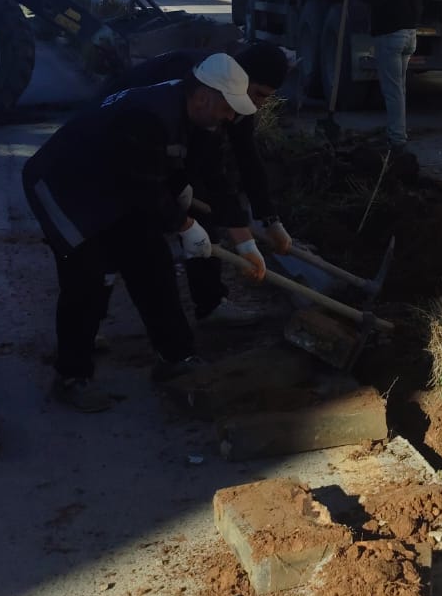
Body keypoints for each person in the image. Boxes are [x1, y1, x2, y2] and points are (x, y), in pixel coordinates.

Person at [21, 54, 265, 412]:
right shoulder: (148, 115)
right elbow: (143, 189)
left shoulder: (203, 122)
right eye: (228, 109)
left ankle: (176, 357)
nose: (231, 118)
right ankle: (72, 376)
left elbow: (215, 180)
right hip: (66, 186)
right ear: (203, 98)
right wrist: (184, 226)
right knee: (89, 278)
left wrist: (246, 243)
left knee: (153, 264)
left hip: (116, 184)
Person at [105, 40, 296, 318]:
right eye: (257, 94)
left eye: (265, 98)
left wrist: (269, 220)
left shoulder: (237, 100)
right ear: (241, 77)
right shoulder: (197, 82)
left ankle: (210, 304)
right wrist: (237, 237)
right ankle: (93, 318)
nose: (256, 105)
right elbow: (201, 165)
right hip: (118, 141)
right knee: (121, 233)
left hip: (159, 146)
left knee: (196, 211)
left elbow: (246, 157)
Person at [348, 0, 421, 157]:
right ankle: (397, 131)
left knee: (392, 90)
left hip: (390, 36)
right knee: (399, 88)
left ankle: (397, 139)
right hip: (410, 35)